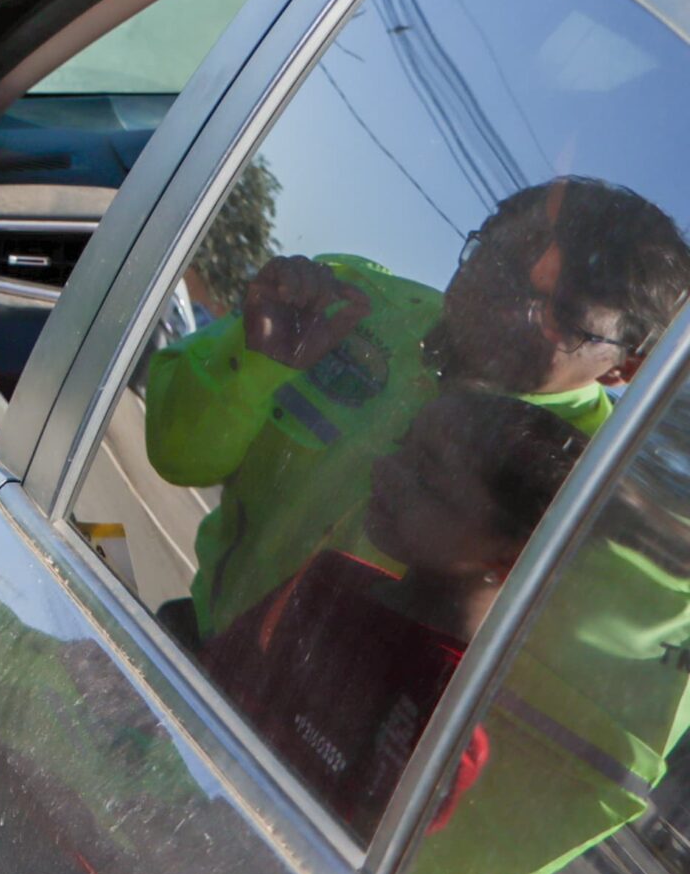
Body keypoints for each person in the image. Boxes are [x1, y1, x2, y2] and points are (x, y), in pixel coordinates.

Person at [143, 176, 690, 640]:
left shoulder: (592, 495)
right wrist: (258, 366)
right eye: (497, 259)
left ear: (627, 368)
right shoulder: (344, 306)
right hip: (194, 647)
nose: (505, 305)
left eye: (561, 313)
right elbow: (175, 455)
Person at [202, 389, 587, 839]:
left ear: (514, 554)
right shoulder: (330, 579)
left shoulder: (452, 718)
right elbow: (211, 684)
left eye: (425, 475)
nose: (383, 468)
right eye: (403, 446)